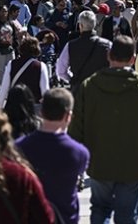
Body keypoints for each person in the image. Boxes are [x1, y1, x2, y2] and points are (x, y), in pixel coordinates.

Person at [68, 35, 138, 224]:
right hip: (133, 164)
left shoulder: (90, 85)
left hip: (99, 162)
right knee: (127, 214)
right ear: (133, 59)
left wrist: (74, 165)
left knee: (100, 208)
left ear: (109, 55)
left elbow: (76, 129)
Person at [17, 89, 90, 224]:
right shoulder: (79, 152)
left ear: (41, 113)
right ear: (68, 116)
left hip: (31, 217)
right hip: (65, 217)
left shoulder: (19, 147)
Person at [55, 10, 112, 97]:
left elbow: (60, 71)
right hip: (102, 90)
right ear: (94, 24)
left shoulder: (70, 45)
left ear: (80, 25)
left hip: (79, 90)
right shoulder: (107, 44)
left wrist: (72, 79)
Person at [0, 37, 50, 108]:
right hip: (33, 106)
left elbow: (4, 88)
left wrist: (0, 106)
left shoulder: (12, 64)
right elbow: (45, 90)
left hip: (15, 106)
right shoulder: (40, 66)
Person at [0, 5, 17, 83]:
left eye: (5, 11)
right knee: (1, 70)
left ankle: (10, 86)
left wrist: (15, 47)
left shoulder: (10, 23)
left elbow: (14, 36)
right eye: (2, 11)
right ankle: (3, 88)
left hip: (9, 49)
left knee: (11, 68)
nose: (4, 13)